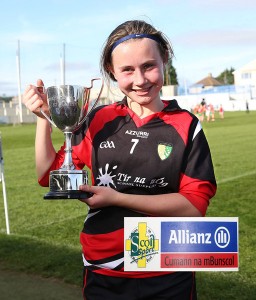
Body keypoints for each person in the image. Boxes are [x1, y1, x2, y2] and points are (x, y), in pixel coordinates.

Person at [23, 20, 217, 300]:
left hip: (168, 268)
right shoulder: (99, 119)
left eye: (149, 65)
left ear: (165, 61)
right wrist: (43, 118)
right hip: (104, 269)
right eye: (127, 70)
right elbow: (48, 175)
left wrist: (117, 198)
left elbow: (194, 206)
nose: (140, 80)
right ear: (112, 72)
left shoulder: (187, 125)